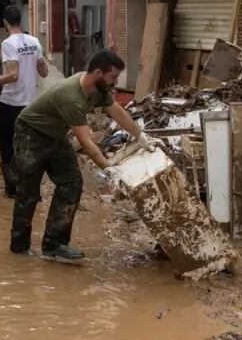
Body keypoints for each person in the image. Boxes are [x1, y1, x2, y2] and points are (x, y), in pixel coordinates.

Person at [9, 50, 161, 259]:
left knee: (72, 182)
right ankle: (19, 247)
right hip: (30, 133)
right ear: (98, 72)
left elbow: (117, 112)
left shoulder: (100, 87)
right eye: (113, 77)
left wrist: (140, 136)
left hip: (56, 134)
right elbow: (86, 143)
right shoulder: (70, 96)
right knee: (29, 192)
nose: (115, 82)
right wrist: (108, 169)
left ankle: (55, 245)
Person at [0, 5, 48, 197]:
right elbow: (44, 71)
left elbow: (13, 75)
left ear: (5, 22)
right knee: (28, 146)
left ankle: (13, 190)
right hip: (31, 103)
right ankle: (32, 190)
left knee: (8, 147)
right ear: (20, 21)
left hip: (11, 104)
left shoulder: (8, 44)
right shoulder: (34, 41)